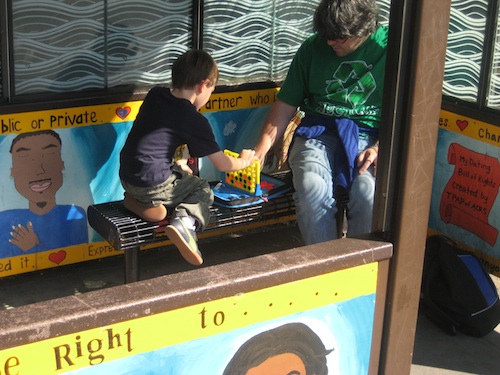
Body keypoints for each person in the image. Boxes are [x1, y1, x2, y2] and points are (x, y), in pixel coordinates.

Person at [254, 0, 387, 245]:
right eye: (325, 35)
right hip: (318, 131)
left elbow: (412, 109)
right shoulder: (312, 48)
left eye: (339, 37)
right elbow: (285, 105)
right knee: (311, 187)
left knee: (368, 195)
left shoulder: (389, 46)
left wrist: (381, 147)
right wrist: (260, 150)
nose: (329, 42)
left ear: (364, 29)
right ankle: (325, 267)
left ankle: (362, 269)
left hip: (370, 135)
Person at [119, 49, 256, 266]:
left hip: (128, 176)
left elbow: (158, 140)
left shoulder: (156, 95)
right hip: (154, 182)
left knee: (176, 179)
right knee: (201, 188)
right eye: (211, 91)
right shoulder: (193, 119)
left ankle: (143, 205)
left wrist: (179, 164)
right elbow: (222, 163)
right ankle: (185, 222)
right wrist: (244, 161)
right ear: (203, 85)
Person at [0, 130, 88, 258]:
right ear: (12, 172)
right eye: (25, 160)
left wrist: (33, 247)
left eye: (50, 156)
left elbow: (78, 257)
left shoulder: (75, 214)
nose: (39, 170)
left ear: (61, 165)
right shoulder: (5, 220)